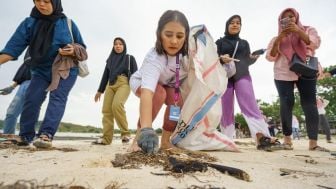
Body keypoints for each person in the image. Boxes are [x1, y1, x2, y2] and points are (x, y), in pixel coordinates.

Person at [0, 0, 86, 148]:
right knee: (32, 99)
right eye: (37, 0)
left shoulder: (68, 23)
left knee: (57, 98)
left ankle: (46, 135)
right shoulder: (29, 23)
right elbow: (11, 49)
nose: (41, 4)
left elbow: (82, 47)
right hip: (40, 70)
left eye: (46, 1)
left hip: (65, 68)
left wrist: (73, 50)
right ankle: (25, 136)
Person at [266, 8, 328, 151]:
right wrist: (280, 38)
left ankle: (313, 143)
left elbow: (314, 44)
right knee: (286, 103)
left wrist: (298, 31)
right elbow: (271, 57)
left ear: (297, 18)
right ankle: (287, 141)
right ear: (280, 21)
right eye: (285, 18)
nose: (290, 19)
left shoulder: (308, 29)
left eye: (292, 17)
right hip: (283, 72)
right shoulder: (276, 37)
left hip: (306, 69)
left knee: (309, 104)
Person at [216, 15, 281, 151]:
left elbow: (246, 61)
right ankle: (226, 140)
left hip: (242, 75)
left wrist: (253, 58)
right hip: (224, 77)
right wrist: (222, 59)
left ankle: (262, 137)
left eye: (238, 23)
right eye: (232, 23)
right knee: (225, 108)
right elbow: (213, 59)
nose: (235, 25)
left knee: (249, 104)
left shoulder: (244, 43)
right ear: (227, 25)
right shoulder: (219, 42)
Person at [128, 10, 190, 154]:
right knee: (158, 94)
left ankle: (166, 140)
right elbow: (147, 94)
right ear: (159, 34)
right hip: (141, 82)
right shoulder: (154, 59)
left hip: (166, 83)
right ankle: (137, 139)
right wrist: (147, 129)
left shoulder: (184, 54)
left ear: (185, 37)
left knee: (177, 102)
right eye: (168, 35)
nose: (174, 41)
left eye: (179, 36)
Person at [94, 37, 138, 145]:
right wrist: (100, 90)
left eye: (120, 44)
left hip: (124, 83)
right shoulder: (110, 60)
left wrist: (138, 88)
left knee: (117, 105)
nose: (118, 46)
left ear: (124, 46)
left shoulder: (129, 58)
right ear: (113, 46)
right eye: (115, 44)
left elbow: (136, 74)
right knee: (106, 110)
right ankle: (106, 139)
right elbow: (105, 75)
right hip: (110, 84)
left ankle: (125, 134)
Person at [0, 52, 31, 134]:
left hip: (39, 81)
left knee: (29, 112)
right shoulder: (30, 49)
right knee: (11, 112)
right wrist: (12, 87)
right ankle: (8, 137)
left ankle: (26, 137)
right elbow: (25, 69)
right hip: (24, 83)